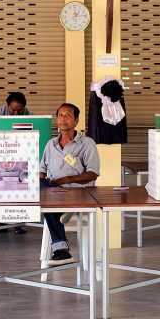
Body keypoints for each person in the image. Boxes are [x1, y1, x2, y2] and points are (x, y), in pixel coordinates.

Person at [40, 103, 100, 266]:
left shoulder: (87, 144)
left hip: (77, 192)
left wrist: (66, 180)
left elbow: (93, 173)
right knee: (38, 186)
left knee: (46, 200)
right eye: (60, 115)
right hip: (52, 193)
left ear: (76, 120)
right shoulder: (50, 144)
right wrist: (41, 178)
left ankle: (61, 249)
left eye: (68, 115)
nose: (63, 119)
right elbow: (42, 169)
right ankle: (63, 213)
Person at [0, 92, 31, 234]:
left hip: (20, 156)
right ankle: (1, 223)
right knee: (1, 187)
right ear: (7, 105)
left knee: (19, 189)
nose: (15, 113)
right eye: (12, 110)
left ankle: (19, 224)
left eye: (19, 110)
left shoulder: (28, 114)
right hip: (1, 155)